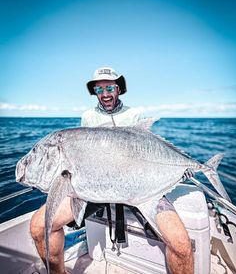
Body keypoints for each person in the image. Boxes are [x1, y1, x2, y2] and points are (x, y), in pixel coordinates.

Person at [30, 67, 194, 274]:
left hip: (139, 186)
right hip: (94, 188)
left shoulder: (134, 114)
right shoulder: (88, 116)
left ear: (118, 89)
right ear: (95, 92)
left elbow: (151, 151)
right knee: (39, 227)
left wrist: (183, 168)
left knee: (181, 244)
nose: (105, 94)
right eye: (100, 90)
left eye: (109, 88)